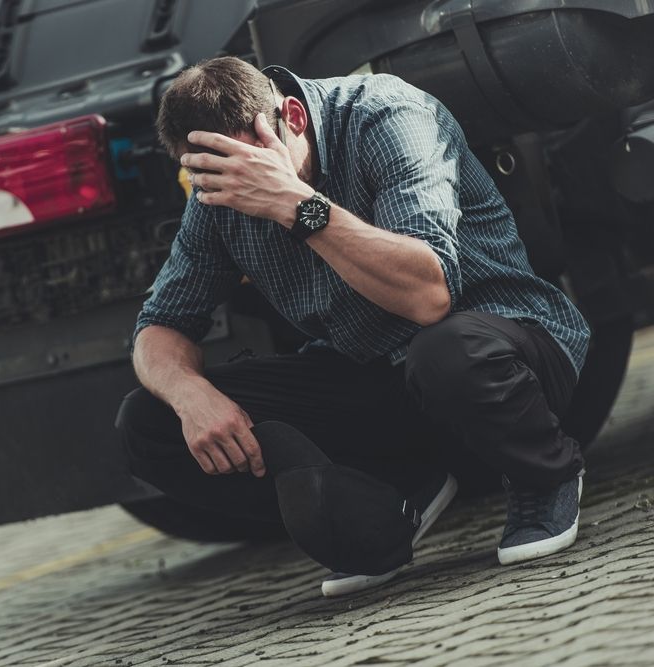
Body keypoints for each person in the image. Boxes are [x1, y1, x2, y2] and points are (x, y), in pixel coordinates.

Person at [115, 56, 590, 595]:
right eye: (206, 170)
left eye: (241, 164)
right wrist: (187, 393)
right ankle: (392, 497)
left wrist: (297, 205)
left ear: (291, 116)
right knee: (146, 423)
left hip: (499, 349)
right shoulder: (217, 192)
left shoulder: (387, 116)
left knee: (443, 352)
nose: (232, 185)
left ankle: (545, 475)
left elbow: (427, 295)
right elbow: (159, 324)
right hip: (373, 374)